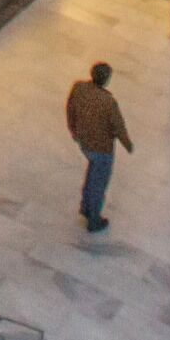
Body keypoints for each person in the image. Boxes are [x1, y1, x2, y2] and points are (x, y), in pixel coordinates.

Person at [66, 60, 132, 231]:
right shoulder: (108, 102)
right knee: (98, 182)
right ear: (106, 79)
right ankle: (93, 219)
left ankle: (86, 206)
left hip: (84, 142)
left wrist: (73, 129)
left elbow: (70, 108)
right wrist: (127, 144)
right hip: (101, 148)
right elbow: (118, 126)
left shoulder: (79, 88)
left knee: (92, 175)